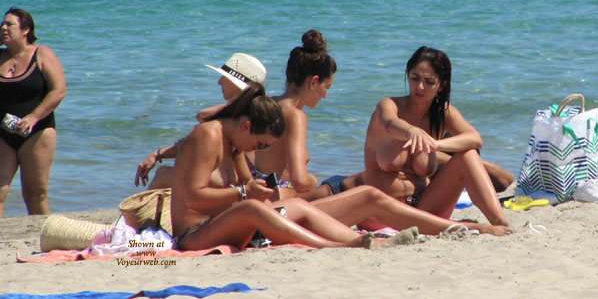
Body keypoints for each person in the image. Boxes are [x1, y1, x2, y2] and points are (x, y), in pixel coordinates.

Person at [172, 82, 505, 251]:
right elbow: (194, 200)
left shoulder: (233, 144)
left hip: (249, 222)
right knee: (255, 208)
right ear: (245, 126)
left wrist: (267, 192)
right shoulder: (208, 136)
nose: (257, 151)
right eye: (260, 145)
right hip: (196, 234)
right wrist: (246, 191)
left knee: (368, 197)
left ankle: (452, 230)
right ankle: (335, 246)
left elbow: (252, 193)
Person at [363, 46, 509, 227]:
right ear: (407, 74)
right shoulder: (389, 106)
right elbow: (389, 122)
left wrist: (437, 144)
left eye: (429, 81)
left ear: (442, 85)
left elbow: (474, 138)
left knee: (468, 154)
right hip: (383, 212)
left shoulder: (442, 114)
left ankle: (501, 223)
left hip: (423, 208)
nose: (420, 87)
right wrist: (411, 131)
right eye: (414, 78)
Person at [134, 53, 266, 189]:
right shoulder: (247, 118)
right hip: (242, 181)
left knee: (162, 174)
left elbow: (202, 115)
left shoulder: (235, 123)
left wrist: (159, 154)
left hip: (221, 187)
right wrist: (158, 154)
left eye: (225, 77)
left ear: (236, 83)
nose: (219, 81)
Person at [0, 7, 66, 217]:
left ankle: (45, 239)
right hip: (3, 132)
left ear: (26, 29)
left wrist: (33, 117)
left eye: (9, 24)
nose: (3, 28)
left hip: (38, 131)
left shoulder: (42, 54)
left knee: (35, 194)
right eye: (2, 24)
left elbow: (59, 91)